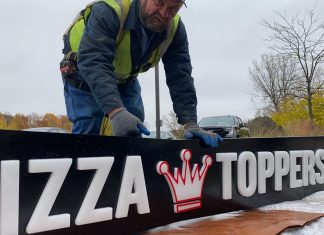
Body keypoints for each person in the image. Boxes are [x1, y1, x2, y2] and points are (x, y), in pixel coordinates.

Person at [60, 0, 222, 147]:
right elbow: (94, 60)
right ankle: (81, 176)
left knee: (133, 128)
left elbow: (181, 77)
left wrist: (190, 122)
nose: (164, 13)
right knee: (89, 130)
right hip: (82, 71)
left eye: (173, 8)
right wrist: (115, 111)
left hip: (125, 79)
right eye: (159, 2)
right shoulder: (110, 10)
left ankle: (125, 175)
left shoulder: (175, 29)